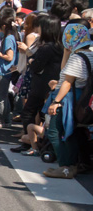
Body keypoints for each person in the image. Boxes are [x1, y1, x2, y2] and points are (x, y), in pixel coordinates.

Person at [42, 25, 93, 179]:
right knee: (69, 132)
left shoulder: (78, 58)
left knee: (57, 132)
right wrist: (66, 51)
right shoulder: (88, 54)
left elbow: (67, 82)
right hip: (81, 99)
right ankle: (69, 165)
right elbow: (64, 72)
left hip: (70, 98)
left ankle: (66, 167)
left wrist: (55, 102)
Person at [14, 14, 63, 155]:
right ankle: (38, 143)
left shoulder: (46, 48)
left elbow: (36, 66)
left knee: (28, 112)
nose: (38, 29)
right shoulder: (60, 46)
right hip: (52, 85)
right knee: (43, 115)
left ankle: (30, 143)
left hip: (41, 85)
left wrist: (30, 58)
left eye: (40, 26)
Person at [0, 12, 18, 128]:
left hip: (4, 70)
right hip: (7, 70)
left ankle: (2, 118)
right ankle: (6, 119)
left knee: (1, 97)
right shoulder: (12, 37)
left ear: (4, 26)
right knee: (4, 96)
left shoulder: (8, 39)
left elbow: (9, 56)